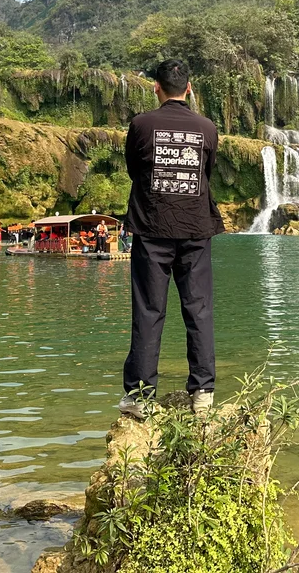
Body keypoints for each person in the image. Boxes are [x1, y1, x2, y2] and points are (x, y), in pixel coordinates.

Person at [119, 59, 225, 419]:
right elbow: (207, 173)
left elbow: (135, 170)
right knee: (199, 310)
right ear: (189, 88)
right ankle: (203, 394)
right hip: (196, 230)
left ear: (156, 88)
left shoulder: (141, 124)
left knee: (149, 311)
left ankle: (141, 397)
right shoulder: (207, 128)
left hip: (152, 229)